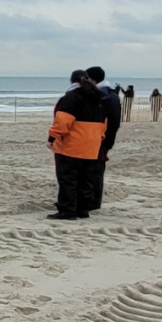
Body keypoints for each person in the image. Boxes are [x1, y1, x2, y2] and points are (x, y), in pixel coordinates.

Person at [47, 70, 107, 220]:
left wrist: (52, 137)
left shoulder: (72, 98)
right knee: (85, 180)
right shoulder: (97, 98)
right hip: (92, 146)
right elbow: (104, 124)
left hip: (72, 146)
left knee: (68, 179)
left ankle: (68, 210)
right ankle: (82, 209)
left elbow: (62, 121)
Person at [85, 66, 121, 212]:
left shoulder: (105, 96)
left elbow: (113, 122)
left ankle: (93, 202)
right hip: (98, 137)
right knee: (93, 170)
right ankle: (91, 200)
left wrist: (106, 143)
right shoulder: (108, 94)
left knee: (95, 170)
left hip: (100, 139)